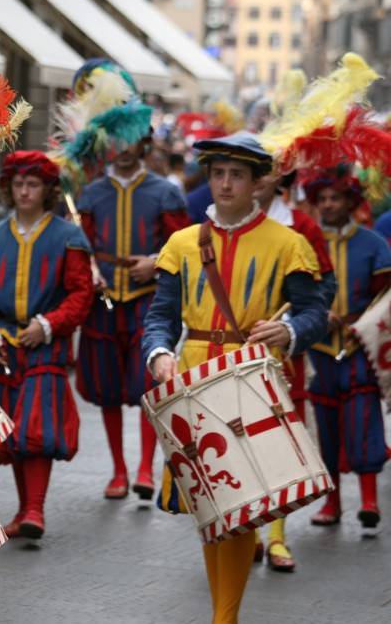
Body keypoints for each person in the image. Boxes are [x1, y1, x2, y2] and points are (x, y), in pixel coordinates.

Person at [142, 132, 328, 624]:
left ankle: (226, 617)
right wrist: (159, 352)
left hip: (254, 377)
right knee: (210, 501)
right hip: (195, 378)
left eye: (237, 175)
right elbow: (160, 316)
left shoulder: (290, 244)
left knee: (245, 499)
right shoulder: (181, 243)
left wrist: (287, 330)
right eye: (218, 174)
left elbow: (315, 314)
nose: (225, 184)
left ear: (258, 182)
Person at [69, 61, 190, 500]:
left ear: (143, 140)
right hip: (104, 300)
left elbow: (185, 247)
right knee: (105, 390)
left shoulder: (166, 192)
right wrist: (90, 272)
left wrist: (156, 262)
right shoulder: (90, 193)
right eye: (114, 138)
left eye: (129, 138)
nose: (122, 147)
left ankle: (143, 467)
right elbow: (78, 246)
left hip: (146, 300)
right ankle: (118, 471)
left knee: (145, 386)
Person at [0, 151, 93, 538]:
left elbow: (81, 294)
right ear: (8, 188)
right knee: (11, 433)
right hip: (3, 347)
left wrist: (48, 324)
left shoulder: (69, 236)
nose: (25, 191)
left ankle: (35, 511)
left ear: (48, 190)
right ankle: (26, 509)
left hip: (46, 345)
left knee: (37, 428)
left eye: (33, 184)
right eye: (18, 184)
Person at [248, 169, 335, 571]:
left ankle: (278, 537)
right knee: (241, 445)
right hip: (236, 352)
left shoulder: (301, 226)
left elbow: (325, 286)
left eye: (266, 171)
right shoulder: (224, 225)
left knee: (281, 446)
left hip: (284, 356)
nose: (258, 179)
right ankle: (246, 532)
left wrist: (290, 323)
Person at [303, 166, 391, 532]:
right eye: (321, 199)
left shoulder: (374, 244)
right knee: (325, 427)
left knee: (363, 422)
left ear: (350, 202)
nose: (327, 205)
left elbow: (385, 298)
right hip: (318, 351)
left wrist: (359, 323)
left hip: (359, 348)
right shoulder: (304, 243)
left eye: (335, 198)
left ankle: (369, 501)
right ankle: (332, 502)